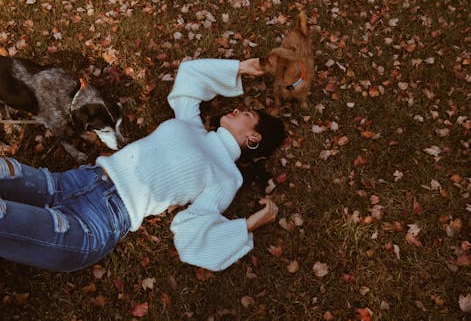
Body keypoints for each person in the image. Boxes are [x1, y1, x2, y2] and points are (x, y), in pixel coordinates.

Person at [0, 58, 286, 272]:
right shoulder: (191, 122)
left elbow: (192, 233)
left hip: (95, 224)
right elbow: (189, 75)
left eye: (246, 113)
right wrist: (238, 68)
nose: (236, 108)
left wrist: (248, 225)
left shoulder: (227, 177)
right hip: (76, 182)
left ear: (254, 137)